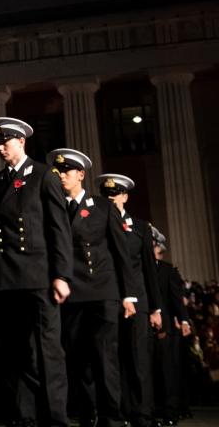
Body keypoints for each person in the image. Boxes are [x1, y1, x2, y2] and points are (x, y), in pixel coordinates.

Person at [0, 118, 73, 426]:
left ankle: (55, 418)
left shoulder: (44, 176)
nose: (1, 148)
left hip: (39, 276)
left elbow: (59, 229)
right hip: (6, 279)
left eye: (6, 142)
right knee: (15, 352)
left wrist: (62, 275)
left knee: (47, 352)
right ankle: (24, 417)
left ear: (22, 142)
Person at [47, 148, 140, 427]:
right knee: (78, 358)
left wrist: (128, 295)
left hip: (103, 290)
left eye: (67, 171)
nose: (62, 176)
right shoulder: (53, 205)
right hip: (71, 292)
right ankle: (88, 415)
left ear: (81, 174)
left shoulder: (102, 206)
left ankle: (111, 417)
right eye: (58, 172)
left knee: (105, 356)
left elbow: (120, 252)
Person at [98, 173, 163, 427]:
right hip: (109, 298)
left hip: (139, 301)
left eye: (115, 195)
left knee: (139, 360)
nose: (111, 199)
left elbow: (149, 268)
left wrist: (156, 307)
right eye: (106, 195)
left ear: (125, 196)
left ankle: (143, 414)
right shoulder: (97, 225)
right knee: (113, 358)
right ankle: (119, 411)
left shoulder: (140, 227)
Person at [151, 228, 191, 426]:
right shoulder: (139, 268)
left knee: (168, 371)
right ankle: (155, 410)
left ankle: (170, 412)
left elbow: (176, 299)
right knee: (152, 371)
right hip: (147, 327)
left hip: (166, 327)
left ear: (158, 246)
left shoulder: (168, 270)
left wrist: (184, 320)